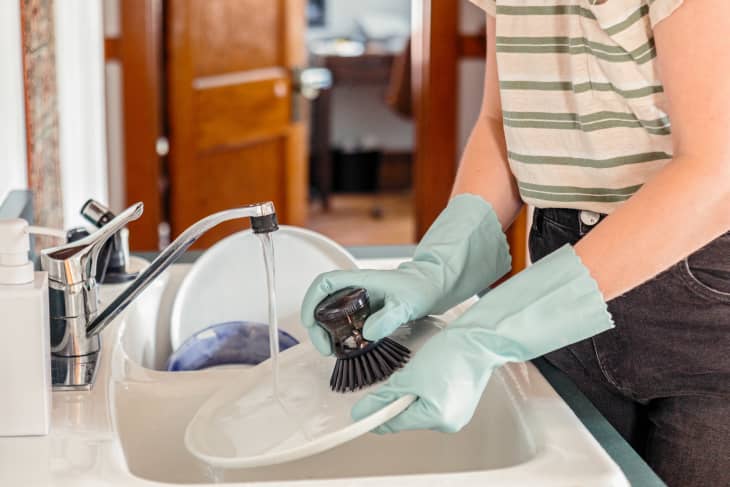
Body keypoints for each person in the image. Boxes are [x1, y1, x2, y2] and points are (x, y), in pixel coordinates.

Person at [301, 1, 730, 485]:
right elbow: (502, 123)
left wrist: (492, 328)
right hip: (561, 276)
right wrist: (436, 267)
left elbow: (715, 171)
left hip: (706, 299)